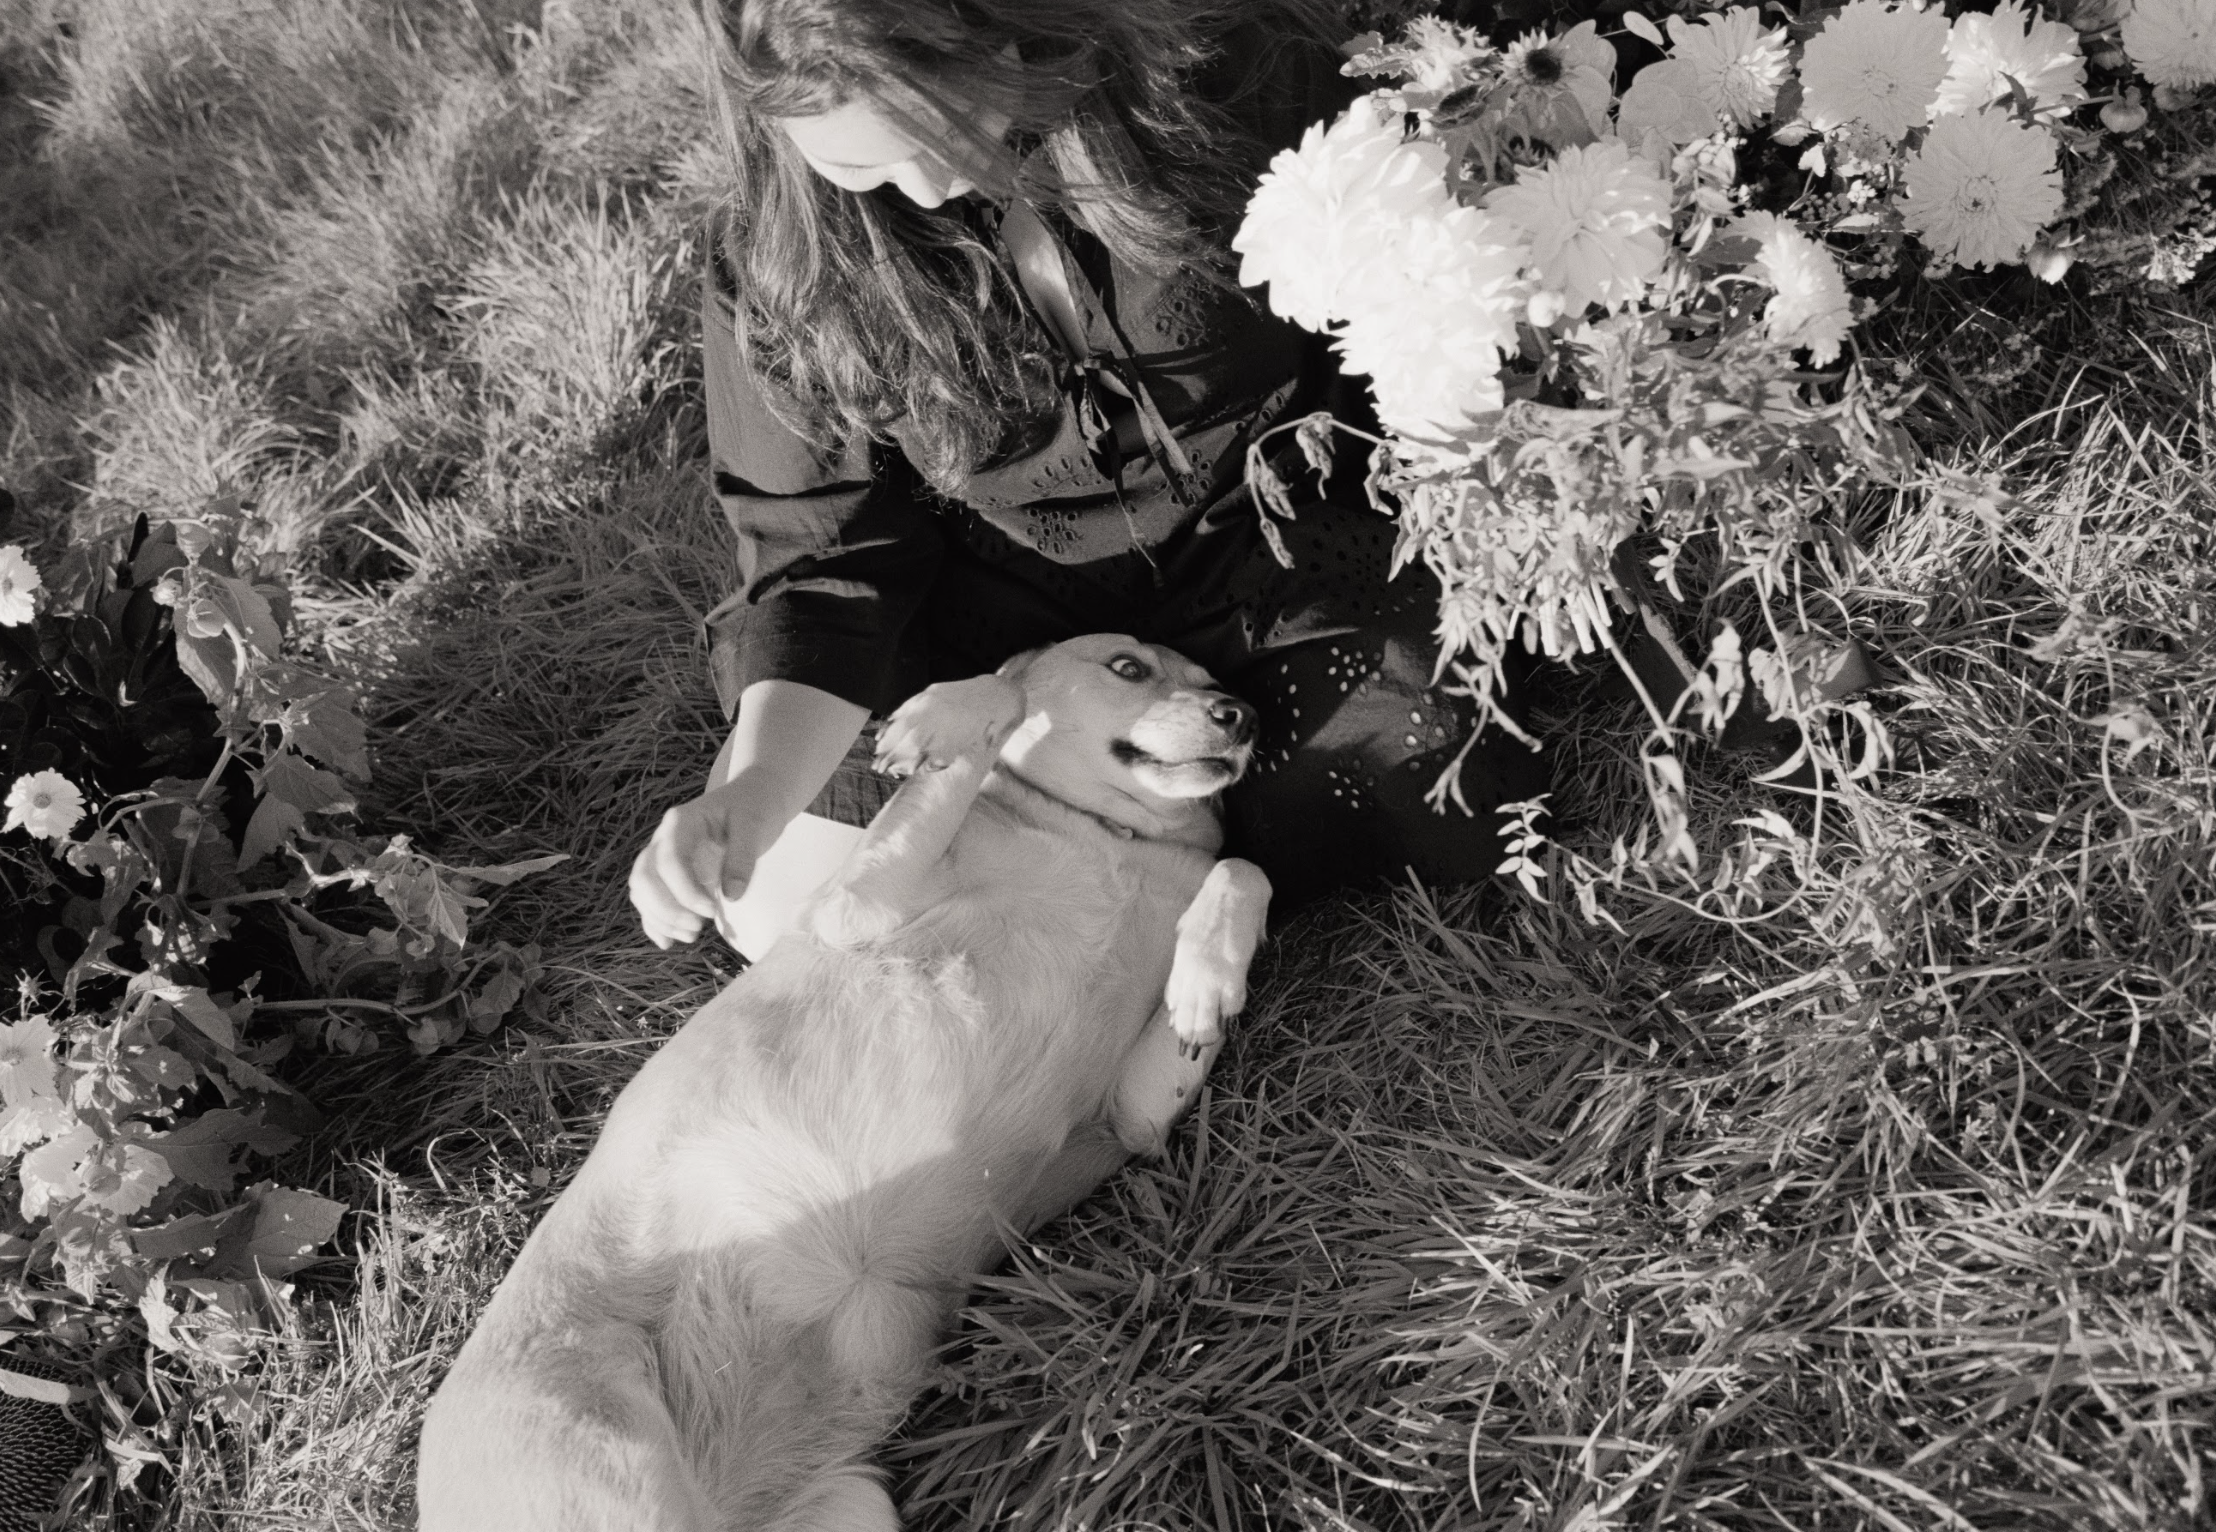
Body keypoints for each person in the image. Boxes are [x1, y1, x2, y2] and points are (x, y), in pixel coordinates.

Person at [630, 0, 1551, 956]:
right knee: (786, 901)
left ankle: (1087, 843)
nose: (926, 185)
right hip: (988, 629)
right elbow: (822, 557)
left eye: (944, 123)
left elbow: (1427, 263)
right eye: (863, 167)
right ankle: (1098, 830)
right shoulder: (788, 257)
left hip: (1276, 548)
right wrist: (751, 794)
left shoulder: (1228, 67)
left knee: (1424, 771)